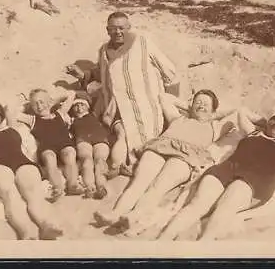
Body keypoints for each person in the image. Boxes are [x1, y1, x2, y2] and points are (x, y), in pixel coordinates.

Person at [158, 102, 275, 241]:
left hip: (257, 179)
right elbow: (242, 111)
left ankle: (204, 245)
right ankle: (163, 242)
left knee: (226, 206)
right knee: (197, 203)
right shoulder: (253, 132)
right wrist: (266, 123)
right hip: (228, 169)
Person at [93, 90, 236, 228]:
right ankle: (115, 214)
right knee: (138, 182)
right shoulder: (178, 118)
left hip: (186, 157)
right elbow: (164, 97)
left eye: (206, 104)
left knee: (158, 187)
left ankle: (134, 216)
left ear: (214, 111)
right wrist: (189, 107)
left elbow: (235, 112)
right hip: (160, 147)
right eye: (198, 102)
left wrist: (213, 115)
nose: (201, 105)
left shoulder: (215, 127)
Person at [66, 11, 180, 178]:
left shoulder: (143, 43)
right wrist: (83, 76)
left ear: (129, 28)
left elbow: (170, 72)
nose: (118, 32)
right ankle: (119, 166)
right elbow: (103, 73)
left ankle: (134, 164)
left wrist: (170, 103)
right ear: (107, 30)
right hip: (117, 105)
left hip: (145, 103)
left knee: (145, 137)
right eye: (113, 29)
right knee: (122, 133)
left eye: (122, 28)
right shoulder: (103, 50)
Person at [0, 99, 63, 240]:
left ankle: (45, 225)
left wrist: (2, 109)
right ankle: (26, 231)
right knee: (10, 194)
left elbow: (10, 107)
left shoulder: (12, 129)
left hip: (22, 162)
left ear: (1, 118)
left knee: (33, 193)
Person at [15, 88, 84, 202]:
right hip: (47, 147)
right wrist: (26, 106)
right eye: (35, 104)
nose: (39, 106)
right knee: (49, 158)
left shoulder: (60, 113)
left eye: (42, 102)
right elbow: (14, 113)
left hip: (64, 143)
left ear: (49, 102)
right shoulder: (33, 119)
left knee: (70, 154)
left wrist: (53, 101)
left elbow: (71, 95)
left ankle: (72, 185)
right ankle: (57, 188)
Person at [69, 92, 111, 199]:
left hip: (99, 137)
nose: (79, 108)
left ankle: (101, 186)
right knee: (87, 160)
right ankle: (90, 186)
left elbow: (102, 95)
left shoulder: (94, 114)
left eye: (82, 105)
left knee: (100, 160)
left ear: (87, 106)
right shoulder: (70, 119)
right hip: (82, 139)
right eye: (76, 105)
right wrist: (70, 95)